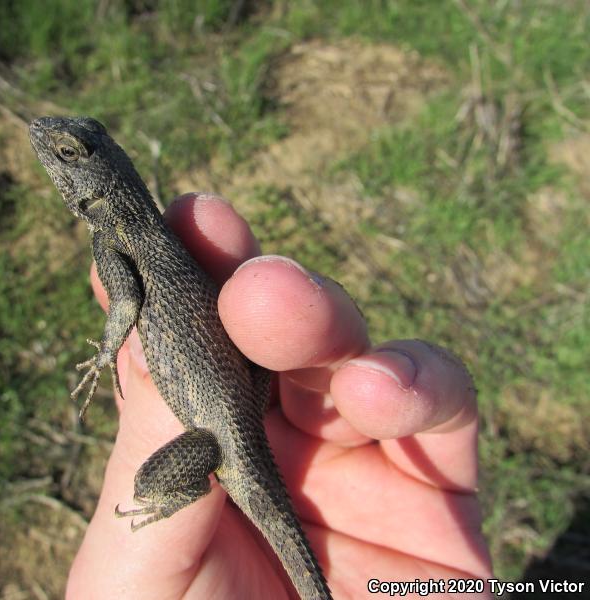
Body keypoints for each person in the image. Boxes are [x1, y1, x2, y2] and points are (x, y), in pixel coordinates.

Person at [66, 193, 493, 599]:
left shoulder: (113, 237)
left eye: (68, 154)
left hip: (219, 438)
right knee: (267, 328)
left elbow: (125, 301)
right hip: (232, 410)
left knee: (149, 483)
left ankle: (184, 492)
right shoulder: (138, 230)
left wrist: (108, 353)